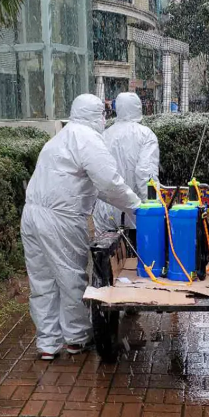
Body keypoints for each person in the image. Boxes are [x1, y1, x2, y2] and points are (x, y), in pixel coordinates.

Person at [21, 93, 142, 360]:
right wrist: (137, 207)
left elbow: (95, 186)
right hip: (61, 217)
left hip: (31, 214)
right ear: (96, 115)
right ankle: (76, 338)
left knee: (42, 281)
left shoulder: (60, 138)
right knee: (70, 277)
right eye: (103, 114)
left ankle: (47, 343)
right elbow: (109, 184)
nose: (104, 119)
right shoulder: (88, 139)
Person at [93, 92, 160, 238]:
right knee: (136, 249)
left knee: (108, 250)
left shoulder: (105, 135)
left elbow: (96, 172)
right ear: (138, 108)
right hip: (133, 208)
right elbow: (145, 174)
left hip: (106, 209)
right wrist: (155, 207)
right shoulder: (145, 135)